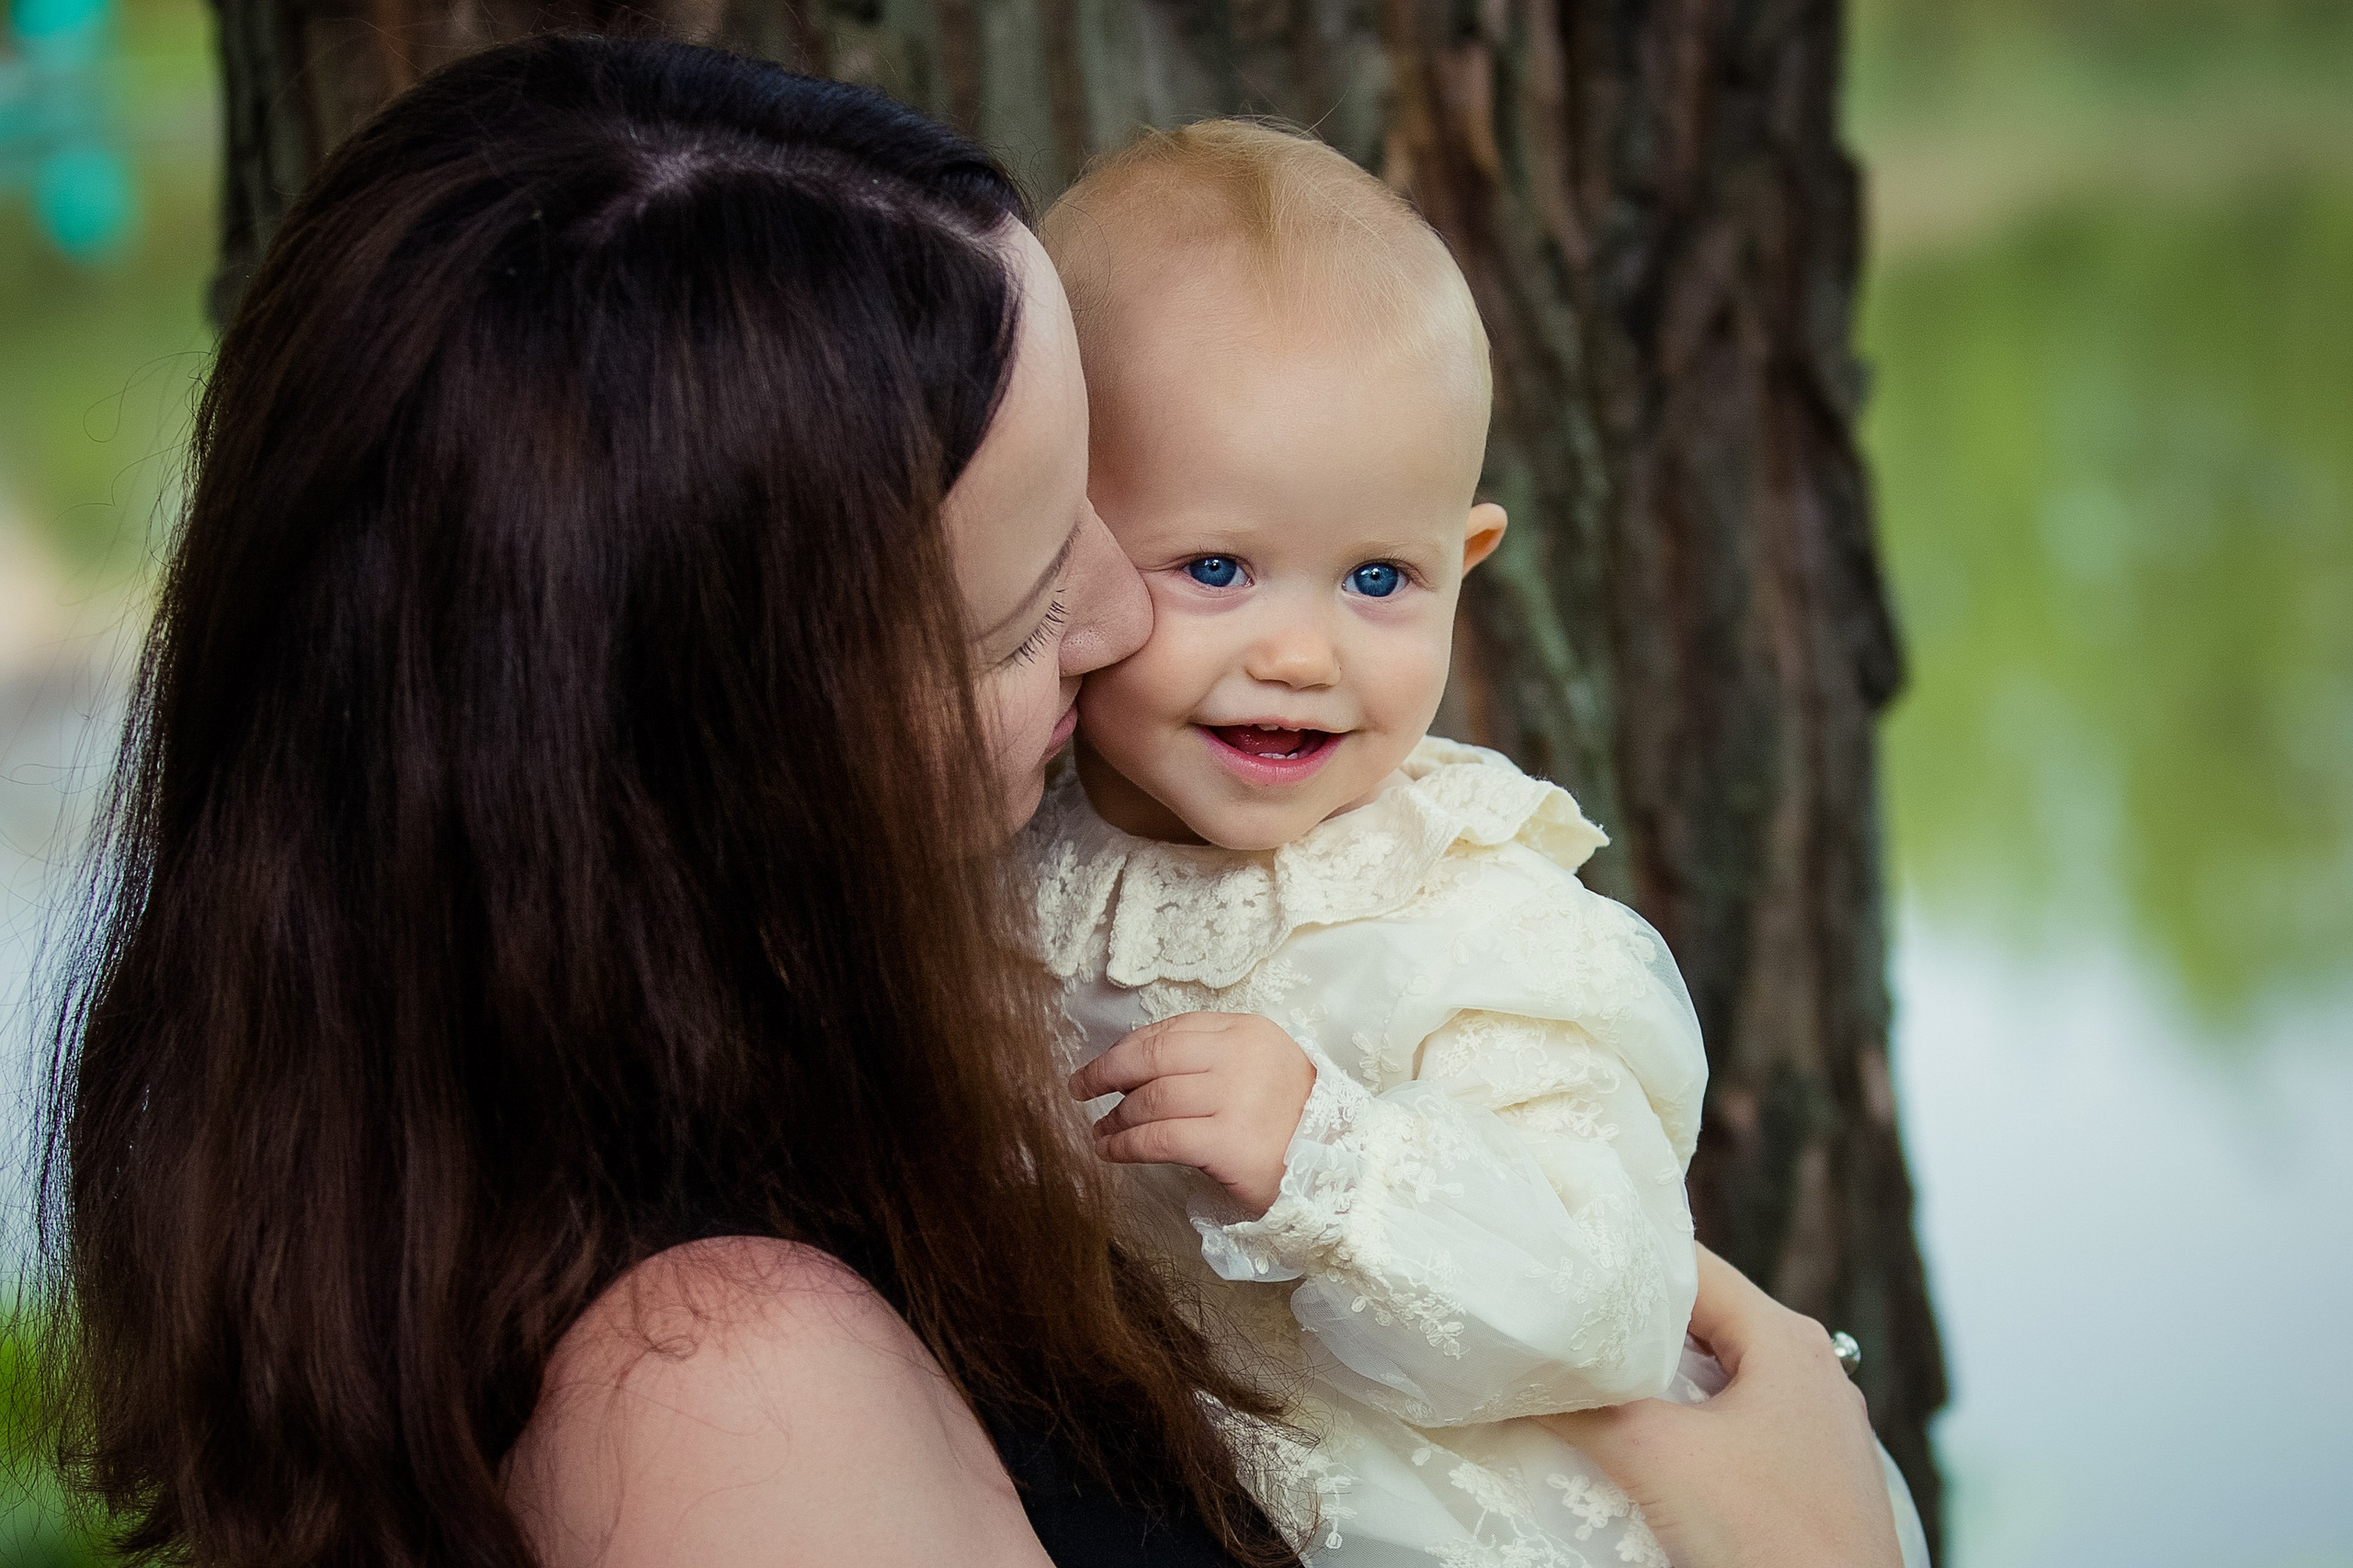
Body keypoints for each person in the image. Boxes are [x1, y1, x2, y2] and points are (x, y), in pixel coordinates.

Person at [33, 31, 1913, 1568]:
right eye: (1027, 611)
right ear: (749, 751)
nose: (1118, 626)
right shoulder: (723, 1400)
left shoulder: (780, 1059)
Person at [1021, 120, 1929, 1567]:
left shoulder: (1465, 914)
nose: (1303, 652)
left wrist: (1328, 1160)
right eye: (1215, 567)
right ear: (1055, 549)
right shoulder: (1010, 854)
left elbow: (1616, 1290)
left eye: (1380, 576)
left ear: (1471, 559)